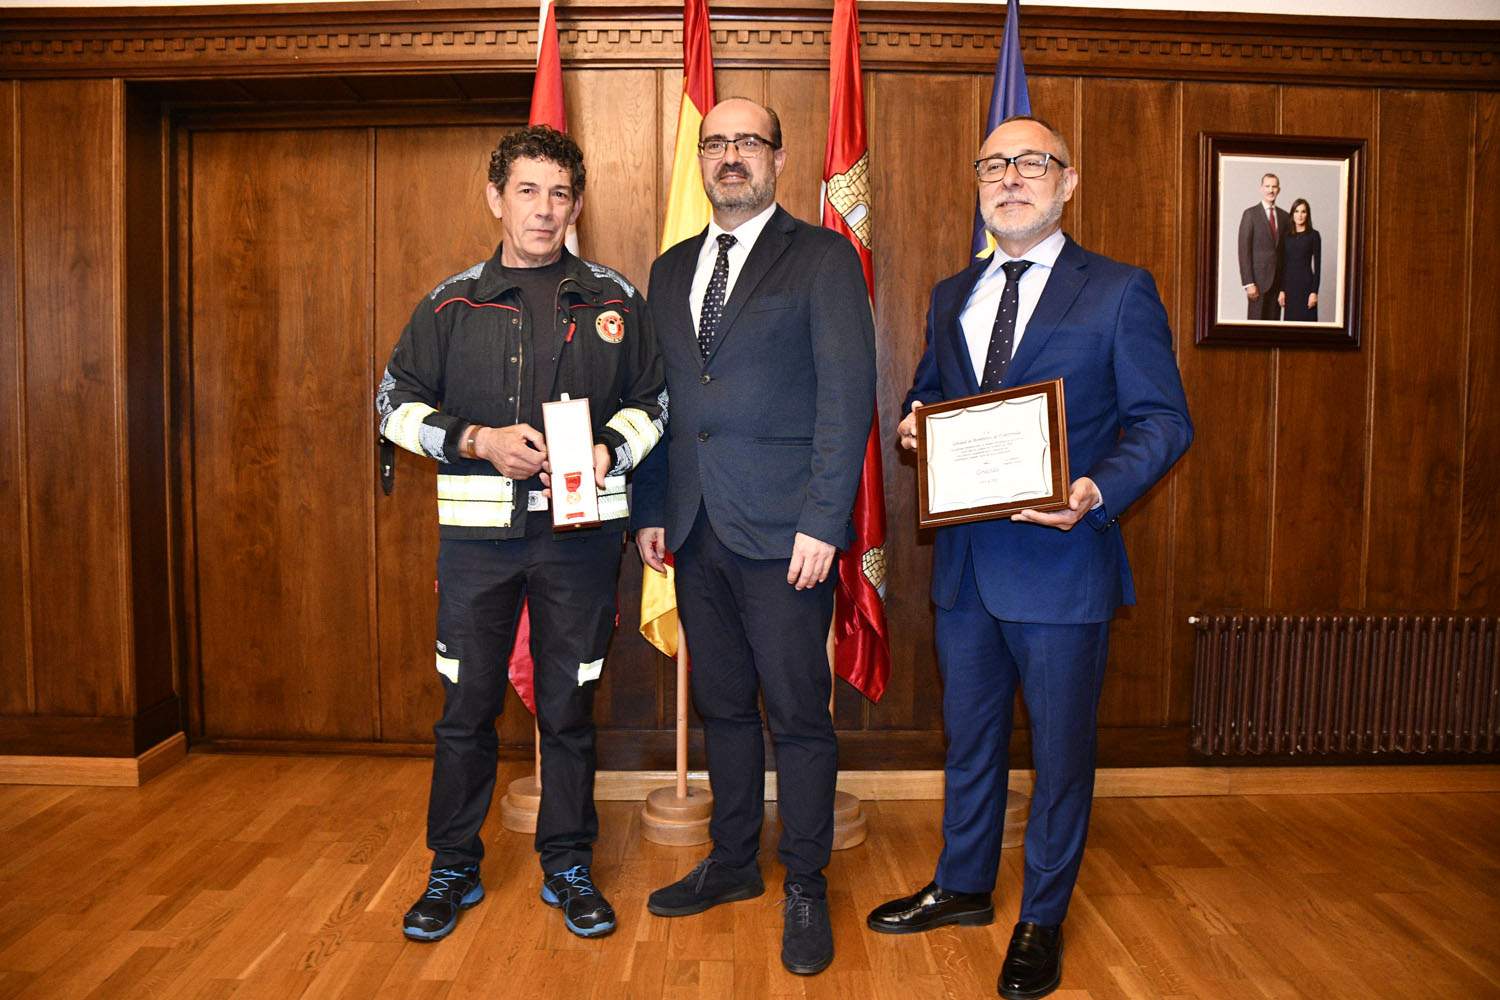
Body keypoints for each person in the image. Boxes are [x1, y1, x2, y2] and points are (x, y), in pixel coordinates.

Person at [870, 115, 1192, 1000]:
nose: (1011, 178)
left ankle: (1042, 917)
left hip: (1062, 564)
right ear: (978, 184)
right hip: (967, 568)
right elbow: (933, 391)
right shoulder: (951, 294)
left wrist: (1092, 489)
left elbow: (1165, 422)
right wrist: (912, 418)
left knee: (1059, 755)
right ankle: (964, 886)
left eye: (1031, 164)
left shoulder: (1121, 291)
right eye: (994, 166)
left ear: (1068, 181)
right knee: (969, 742)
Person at [376, 125, 665, 944]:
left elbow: (658, 404)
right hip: (476, 549)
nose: (545, 209)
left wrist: (614, 447)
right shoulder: (449, 302)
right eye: (528, 191)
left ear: (578, 204)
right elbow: (391, 405)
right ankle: (452, 865)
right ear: (496, 198)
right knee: (464, 710)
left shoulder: (615, 299)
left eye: (561, 194)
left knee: (571, 708)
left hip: (581, 543)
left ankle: (568, 863)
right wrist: (477, 442)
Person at [630, 97, 876, 977]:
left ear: (778, 156)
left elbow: (847, 401)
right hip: (693, 529)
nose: (731, 157)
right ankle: (733, 862)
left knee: (799, 716)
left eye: (748, 143)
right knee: (723, 706)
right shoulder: (667, 270)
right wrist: (651, 508)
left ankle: (804, 878)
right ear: (701, 160)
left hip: (786, 537)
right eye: (716, 143)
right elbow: (659, 407)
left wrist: (824, 520)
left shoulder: (821, 259)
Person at [1237, 172, 1292, 320]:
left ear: (1278, 190)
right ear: (1261, 189)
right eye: (1267, 186)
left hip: (1277, 283)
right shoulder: (1250, 214)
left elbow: (1287, 254)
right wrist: (1248, 283)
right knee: (1255, 330)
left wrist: (1284, 287)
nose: (1271, 190)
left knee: (1273, 330)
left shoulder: (1285, 217)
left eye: (1274, 187)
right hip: (1258, 284)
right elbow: (1244, 251)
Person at [1278, 197, 1321, 321]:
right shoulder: (1286, 237)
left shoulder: (1314, 235)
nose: (1300, 215)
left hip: (1307, 287)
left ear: (1308, 214)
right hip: (1290, 288)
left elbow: (1318, 267)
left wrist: (1314, 292)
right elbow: (1283, 265)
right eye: (1296, 211)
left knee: (1309, 329)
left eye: (1303, 211)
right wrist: (1282, 290)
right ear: (1292, 214)